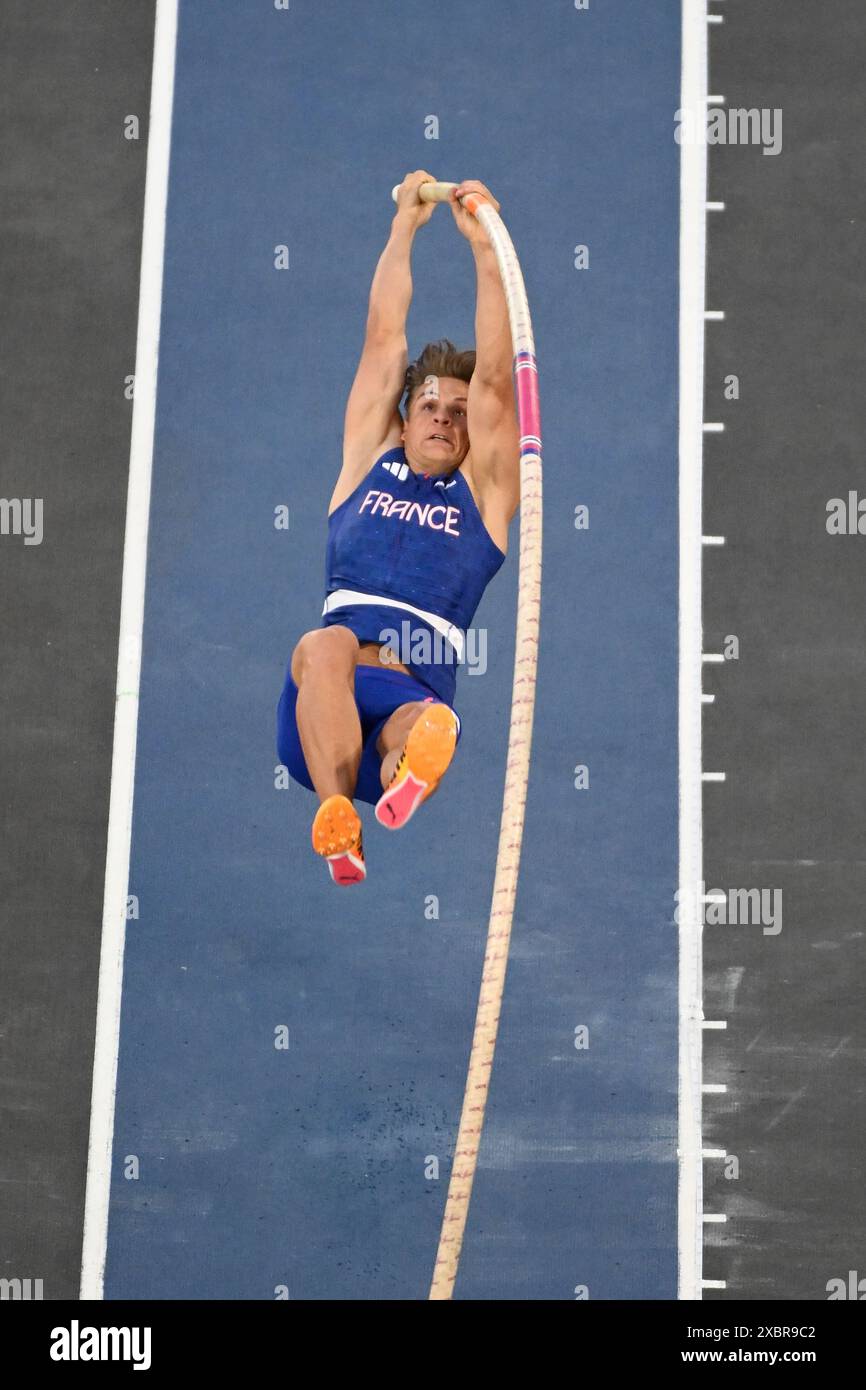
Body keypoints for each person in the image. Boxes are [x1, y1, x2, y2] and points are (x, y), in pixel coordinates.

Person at [277, 172, 520, 884]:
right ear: (405, 416)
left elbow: (499, 378)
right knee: (323, 643)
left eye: (459, 411)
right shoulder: (366, 461)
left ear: (475, 431)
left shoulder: (484, 495)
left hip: (408, 694)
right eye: (430, 406)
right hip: (321, 707)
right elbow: (385, 338)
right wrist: (404, 226)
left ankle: (407, 775)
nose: (444, 416)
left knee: (426, 729)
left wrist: (483, 250)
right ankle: (335, 822)